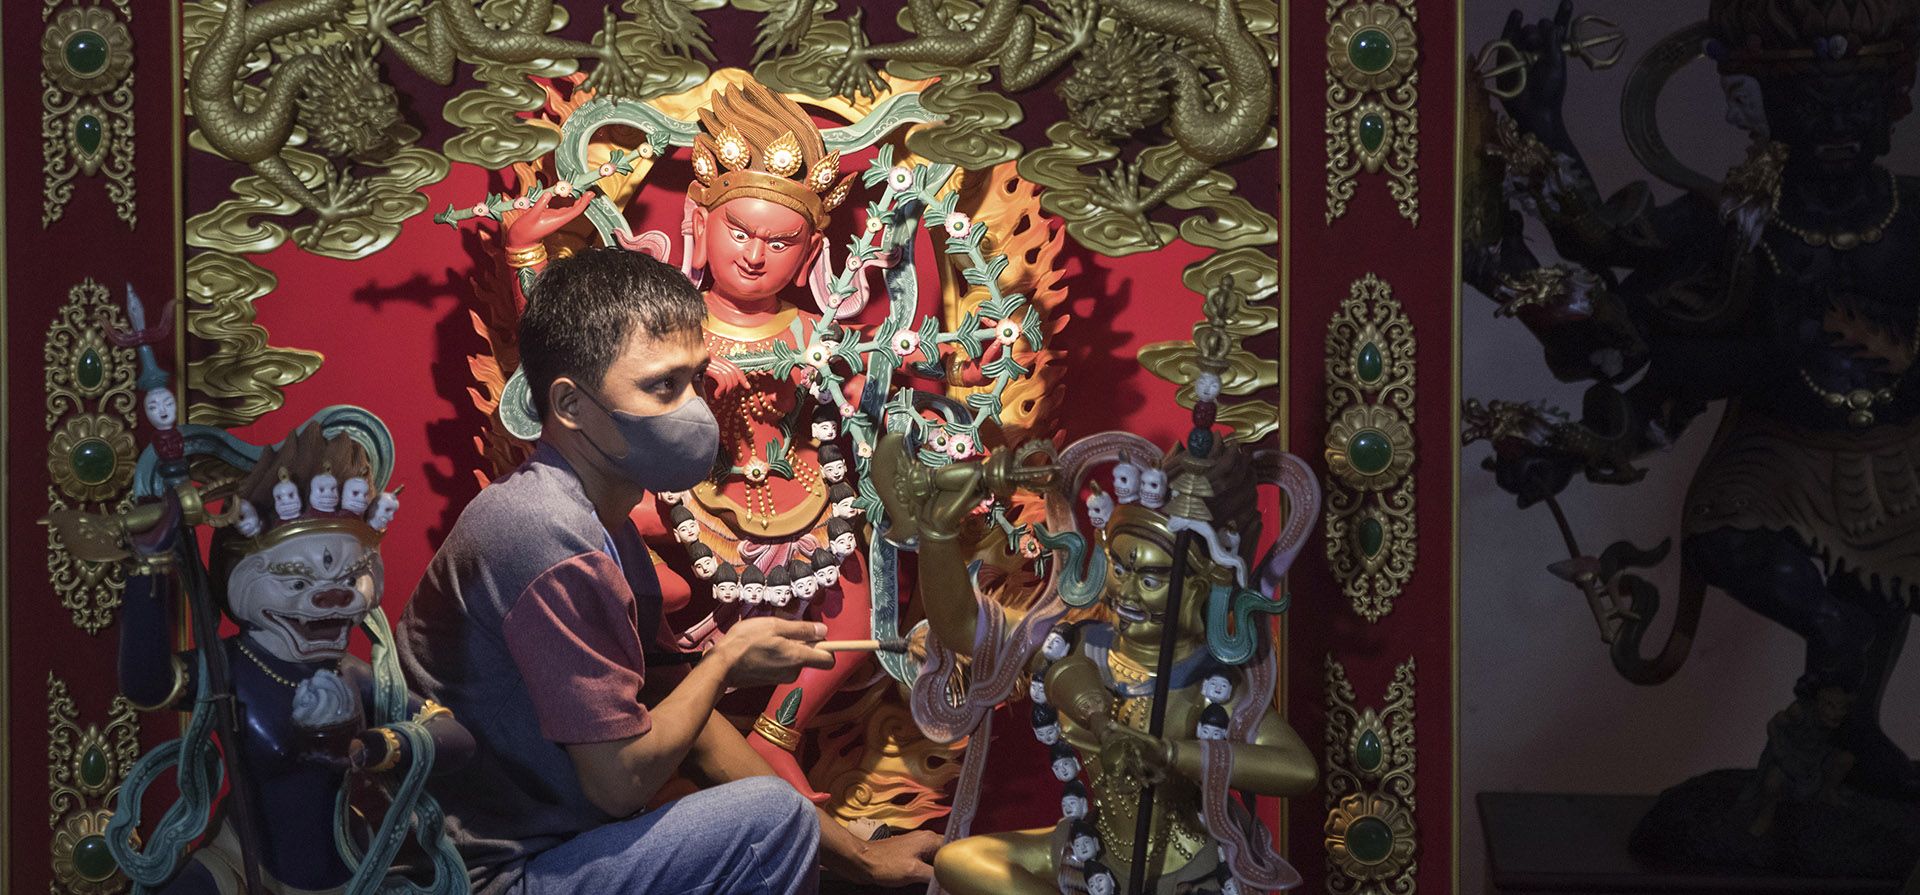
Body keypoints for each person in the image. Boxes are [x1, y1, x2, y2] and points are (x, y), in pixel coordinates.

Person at [397, 246, 938, 894]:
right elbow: (621, 779)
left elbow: (692, 725)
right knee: (770, 820)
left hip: (567, 842)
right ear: (570, 404)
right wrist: (723, 663)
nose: (695, 406)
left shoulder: (606, 520)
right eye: (663, 386)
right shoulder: (546, 536)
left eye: (696, 377)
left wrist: (862, 855)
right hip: (486, 876)